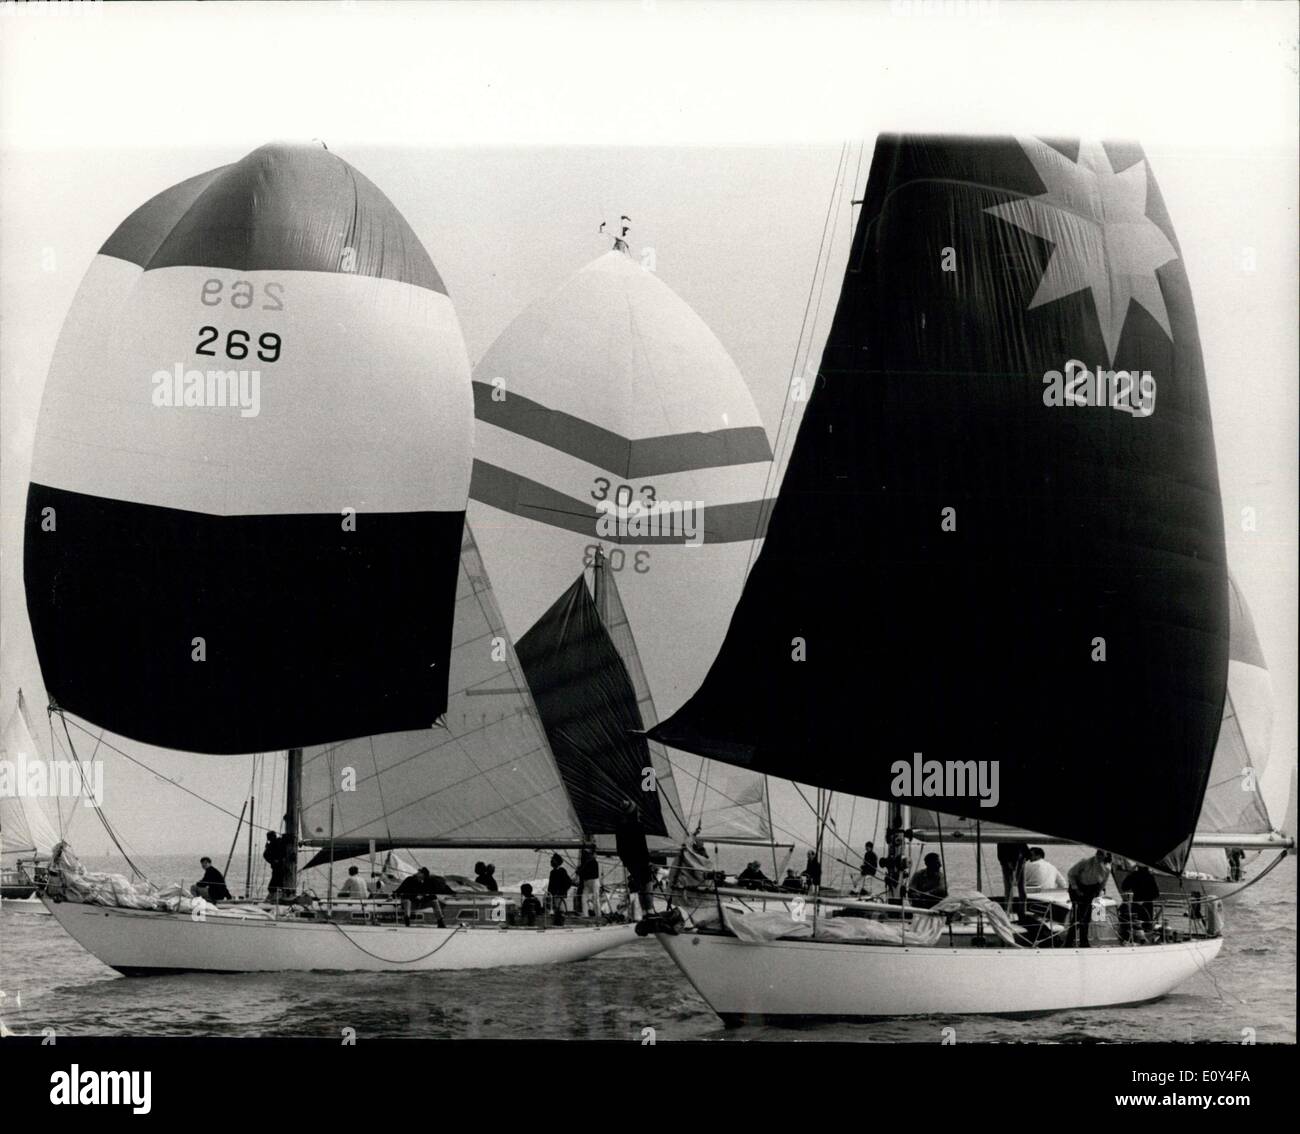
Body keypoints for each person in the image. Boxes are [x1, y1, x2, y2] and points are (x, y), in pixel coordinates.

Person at [615, 799, 654, 918]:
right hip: (642, 861)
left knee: (641, 888)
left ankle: (644, 913)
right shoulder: (638, 826)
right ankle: (650, 912)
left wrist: (626, 861)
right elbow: (643, 846)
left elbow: (620, 848)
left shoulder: (620, 827)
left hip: (631, 863)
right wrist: (648, 861)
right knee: (647, 885)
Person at [1065, 849, 1112, 947]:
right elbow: (1071, 874)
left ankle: (1083, 941)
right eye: (1098, 854)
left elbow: (1102, 884)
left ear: (1105, 856)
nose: (1099, 856)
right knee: (1078, 916)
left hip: (1091, 890)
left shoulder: (1107, 868)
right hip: (1077, 888)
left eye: (1102, 855)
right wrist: (1076, 888)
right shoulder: (1085, 862)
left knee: (1086, 917)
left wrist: (1097, 894)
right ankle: (1070, 942)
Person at [1118, 863, 1160, 944]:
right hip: (1147, 906)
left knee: (1135, 926)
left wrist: (1129, 874)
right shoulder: (1150, 876)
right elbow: (1156, 894)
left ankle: (1134, 940)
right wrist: (1145, 900)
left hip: (1136, 906)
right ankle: (1145, 941)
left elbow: (1124, 887)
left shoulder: (1134, 875)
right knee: (1146, 928)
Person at [997, 842, 1028, 913]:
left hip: (1015, 860)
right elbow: (1026, 852)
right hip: (1015, 859)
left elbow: (1000, 854)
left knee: (1011, 888)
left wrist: (1007, 861)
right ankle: (1018, 911)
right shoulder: (1017, 839)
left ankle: (1011, 911)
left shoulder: (1002, 841)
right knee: (1016, 888)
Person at [575, 844, 600, 916]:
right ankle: (586, 915)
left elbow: (584, 871)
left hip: (593, 881)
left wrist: (579, 871)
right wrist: (580, 871)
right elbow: (582, 871)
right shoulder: (587, 862)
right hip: (587, 882)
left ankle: (598, 915)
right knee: (584, 899)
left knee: (596, 899)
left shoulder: (593, 862)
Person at [263, 831, 288, 900]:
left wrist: (273, 861)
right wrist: (273, 861)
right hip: (279, 866)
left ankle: (281, 896)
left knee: (273, 886)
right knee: (277, 885)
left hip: (279, 867)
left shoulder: (273, 844)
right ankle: (282, 896)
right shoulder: (275, 843)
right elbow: (265, 855)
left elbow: (265, 855)